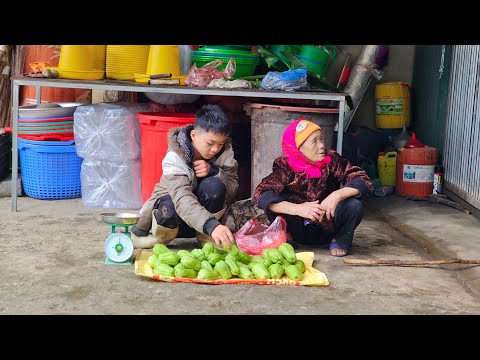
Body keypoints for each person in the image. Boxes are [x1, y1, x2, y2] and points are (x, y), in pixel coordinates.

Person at [253, 118, 373, 257]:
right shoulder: (285, 166)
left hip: (327, 226)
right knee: (275, 200)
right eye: (314, 142)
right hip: (296, 226)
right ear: (298, 148)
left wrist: (337, 195)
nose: (321, 145)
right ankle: (288, 237)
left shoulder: (331, 160)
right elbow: (261, 194)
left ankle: (339, 239)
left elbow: (363, 180)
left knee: (354, 204)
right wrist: (299, 209)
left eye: (321, 140)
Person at [131, 104, 239, 249]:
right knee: (168, 206)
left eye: (220, 144)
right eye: (210, 143)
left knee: (215, 186)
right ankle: (161, 239)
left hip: (204, 224)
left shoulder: (225, 152)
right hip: (173, 219)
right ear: (193, 135)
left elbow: (232, 190)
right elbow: (182, 200)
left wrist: (216, 172)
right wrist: (212, 225)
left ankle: (206, 238)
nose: (215, 149)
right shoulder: (174, 157)